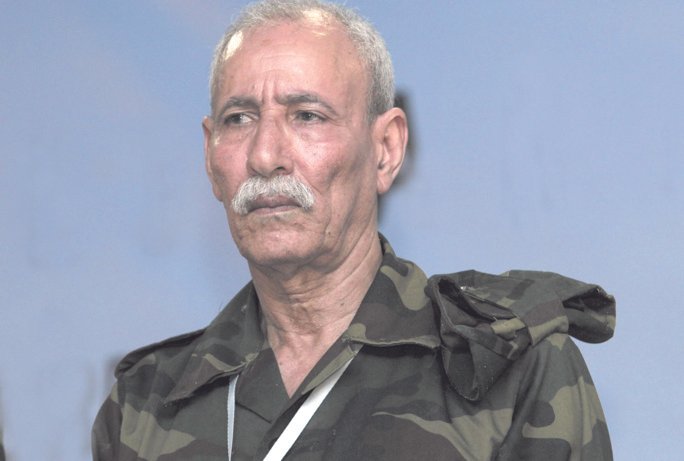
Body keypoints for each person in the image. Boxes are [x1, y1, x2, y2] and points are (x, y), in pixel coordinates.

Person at [92, 0, 616, 459]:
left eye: (307, 116)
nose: (265, 155)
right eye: (239, 119)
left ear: (386, 149)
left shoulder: (511, 367)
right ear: (210, 158)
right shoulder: (144, 404)